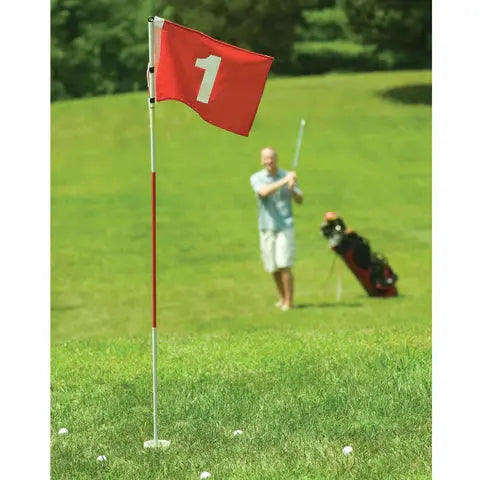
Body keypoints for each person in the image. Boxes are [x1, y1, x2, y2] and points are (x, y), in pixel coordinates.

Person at [250, 147, 303, 311]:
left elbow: (300, 200)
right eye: (266, 158)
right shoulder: (257, 178)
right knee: (272, 266)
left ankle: (289, 301)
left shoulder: (287, 176)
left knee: (284, 264)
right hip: (266, 226)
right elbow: (264, 192)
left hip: (284, 226)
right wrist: (284, 181)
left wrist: (292, 188)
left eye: (271, 158)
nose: (269, 161)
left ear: (276, 159)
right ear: (261, 160)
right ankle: (281, 298)